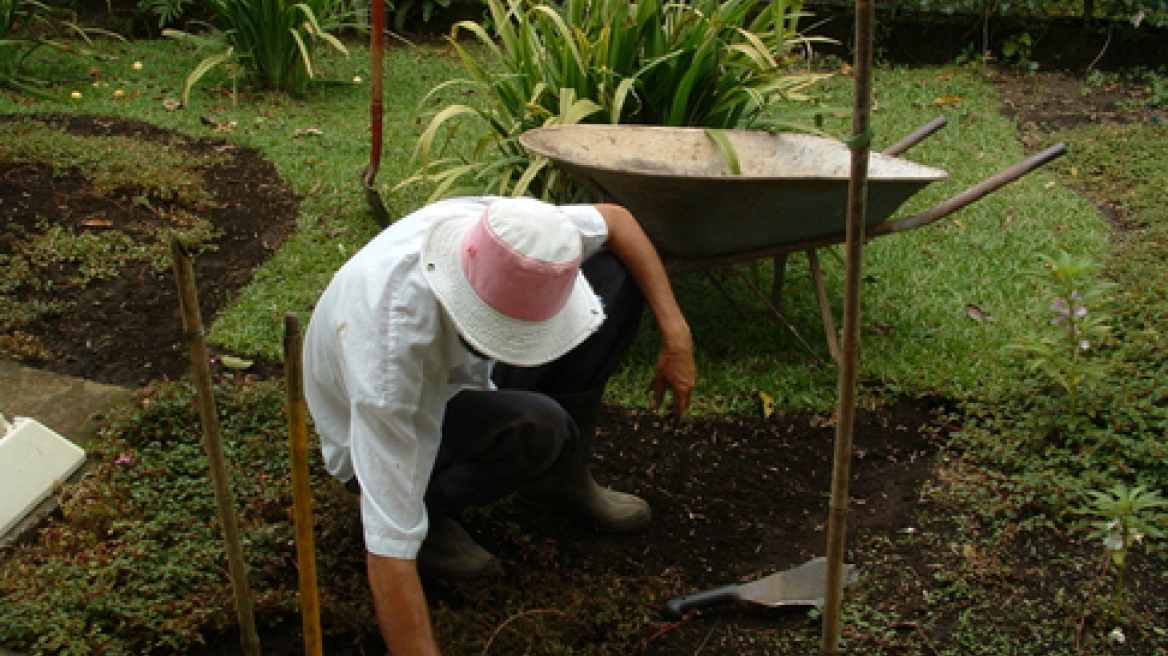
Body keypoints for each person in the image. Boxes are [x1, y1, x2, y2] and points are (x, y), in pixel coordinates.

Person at [302, 196, 696, 655]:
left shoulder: (523, 239)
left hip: (469, 374)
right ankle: (430, 512)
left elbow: (617, 220)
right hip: (383, 426)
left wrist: (676, 333)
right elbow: (387, 551)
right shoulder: (390, 358)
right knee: (538, 425)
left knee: (613, 277)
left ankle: (560, 480)